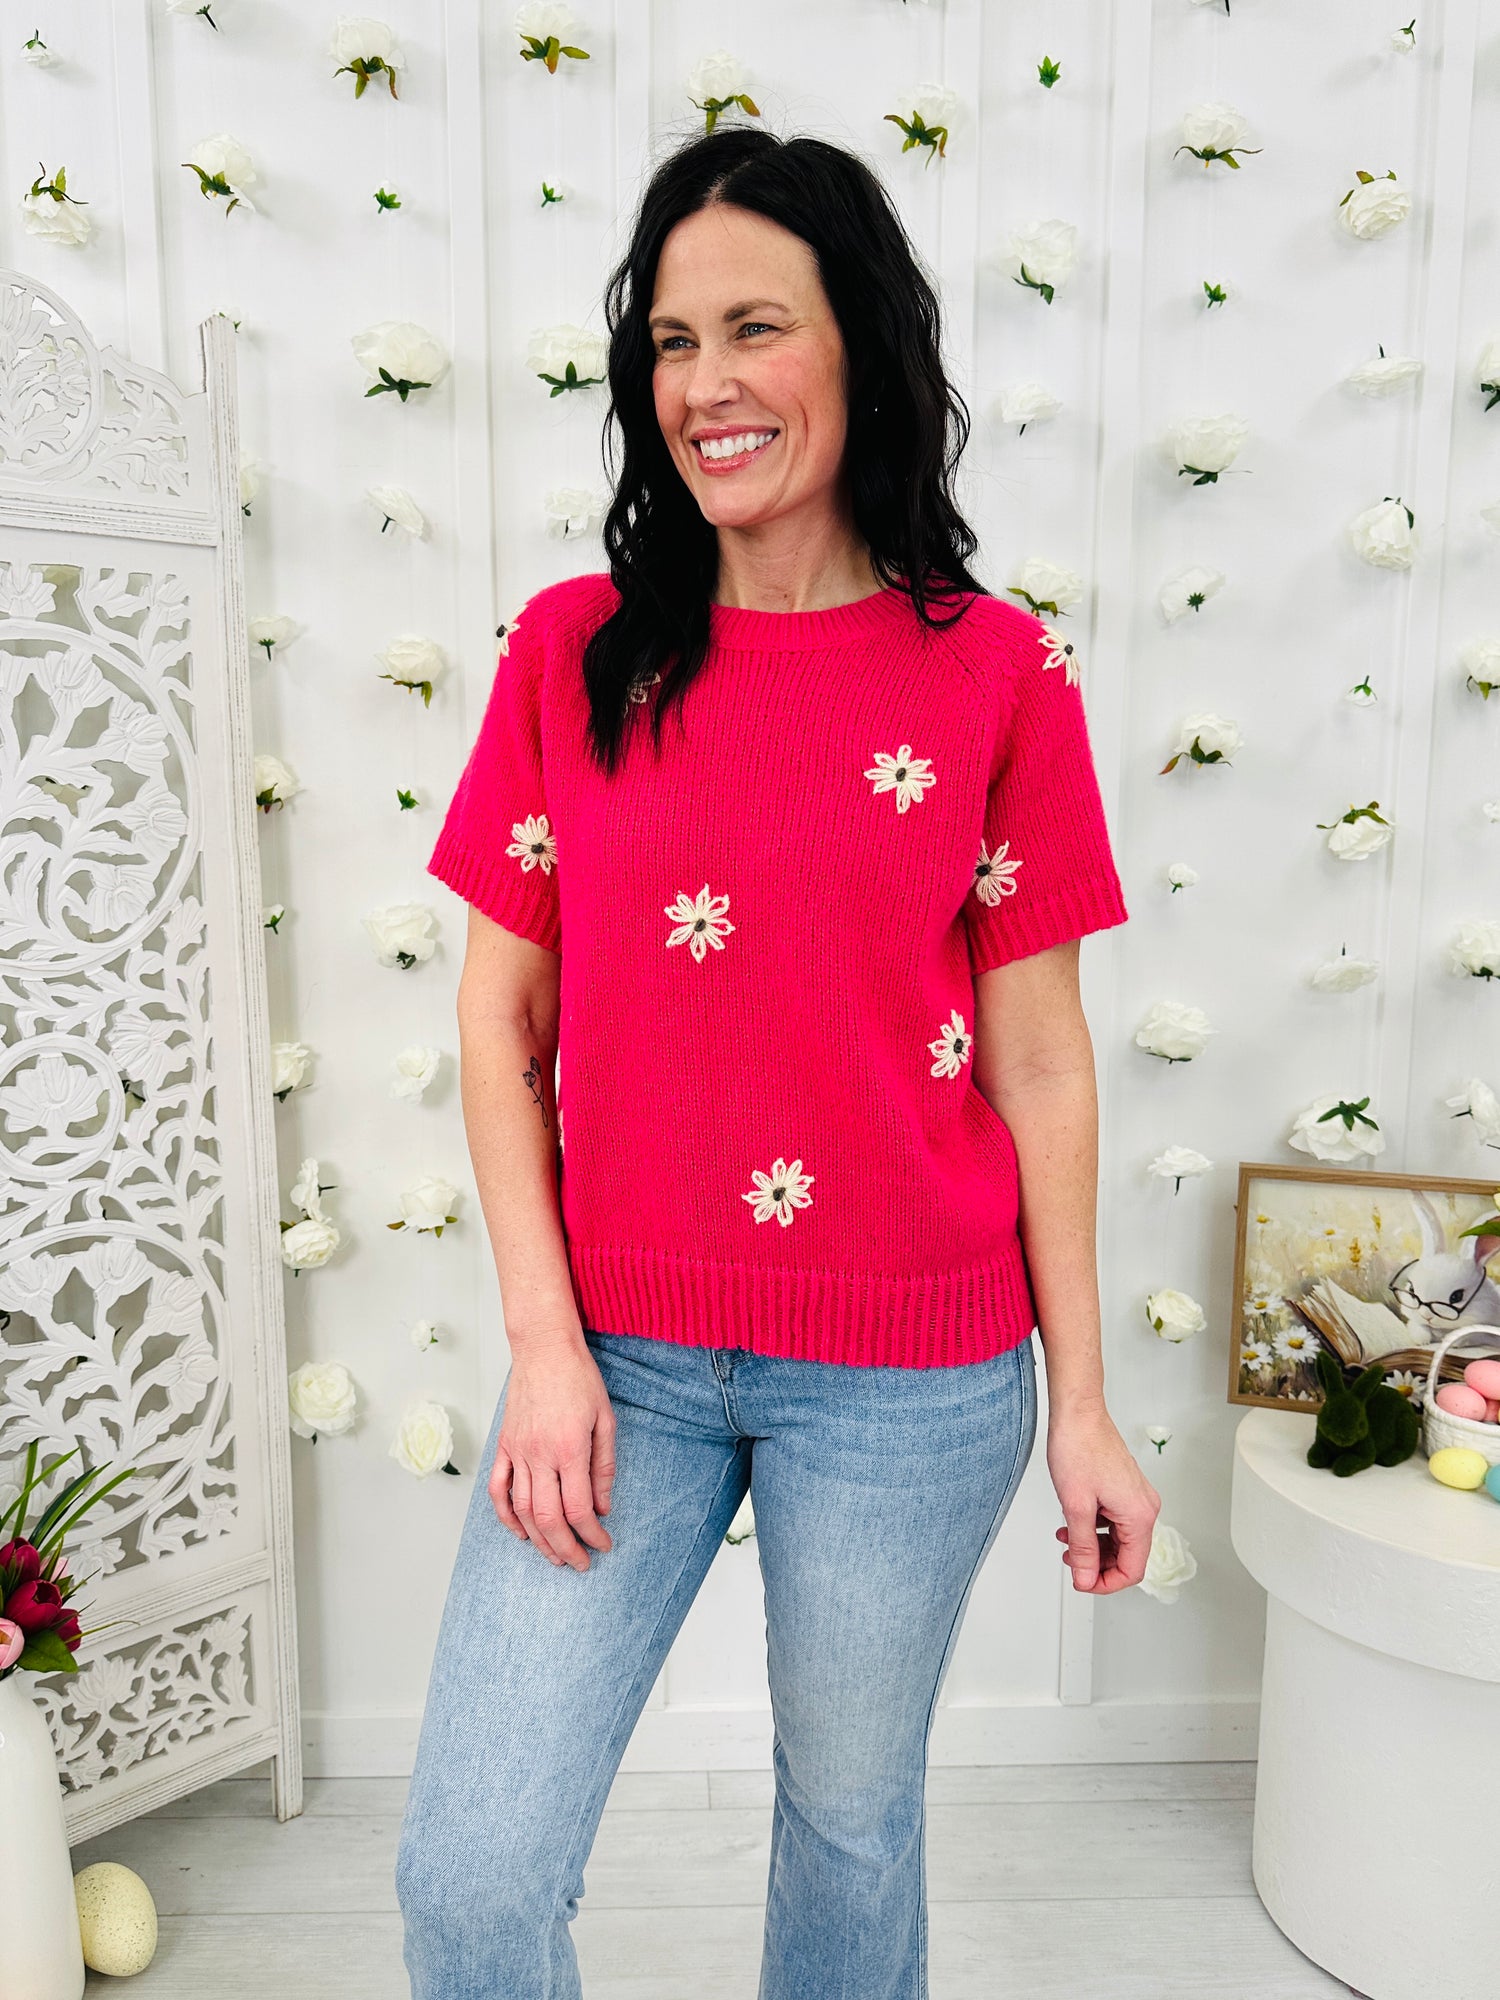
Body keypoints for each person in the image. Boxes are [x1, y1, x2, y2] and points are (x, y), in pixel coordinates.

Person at [395, 124, 1161, 2000]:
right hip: (621, 1356)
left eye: (755, 327)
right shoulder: (575, 653)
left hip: (912, 1367)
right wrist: (544, 1348)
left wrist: (1083, 1402)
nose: (707, 385)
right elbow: (499, 1024)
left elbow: (1042, 1065)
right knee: (472, 1879)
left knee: (848, 1823)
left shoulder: (995, 674)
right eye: (672, 341)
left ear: (861, 348)